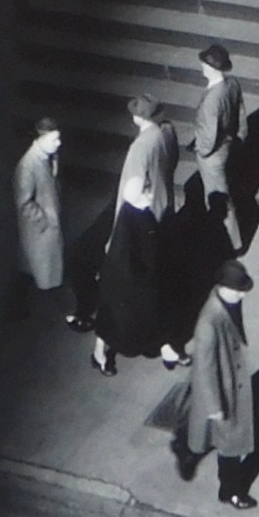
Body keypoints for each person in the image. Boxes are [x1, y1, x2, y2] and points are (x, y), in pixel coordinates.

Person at [155, 258, 258, 508]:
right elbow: (204, 368)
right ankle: (231, 491)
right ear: (224, 288)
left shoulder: (225, 304)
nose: (242, 297)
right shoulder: (209, 324)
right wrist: (215, 406)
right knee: (231, 444)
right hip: (222, 391)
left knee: (217, 438)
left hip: (228, 383)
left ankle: (190, 453)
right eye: (238, 291)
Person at [91, 97, 174, 375]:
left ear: (137, 118)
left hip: (135, 226)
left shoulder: (139, 147)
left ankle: (101, 349)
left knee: (118, 291)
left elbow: (128, 193)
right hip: (156, 220)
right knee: (151, 285)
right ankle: (159, 342)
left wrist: (113, 235)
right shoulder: (165, 134)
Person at [191, 43, 247, 246]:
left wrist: (202, 150)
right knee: (222, 195)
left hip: (212, 154)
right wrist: (239, 136)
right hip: (227, 145)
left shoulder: (212, 100)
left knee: (216, 198)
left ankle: (228, 243)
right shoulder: (232, 84)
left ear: (211, 68)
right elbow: (240, 113)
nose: (202, 67)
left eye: (205, 64)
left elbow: (210, 132)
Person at [12, 117, 65, 298]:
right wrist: (45, 221)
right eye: (53, 140)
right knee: (40, 271)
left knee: (46, 271)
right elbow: (24, 202)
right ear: (40, 139)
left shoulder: (48, 158)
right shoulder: (28, 165)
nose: (58, 144)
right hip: (40, 230)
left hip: (49, 227)